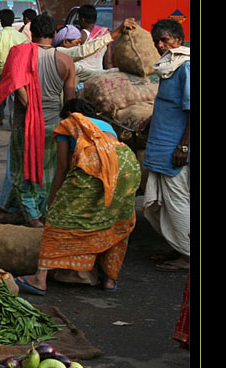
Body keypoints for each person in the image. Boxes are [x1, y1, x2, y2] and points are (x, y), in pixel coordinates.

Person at [14, 99, 142, 296]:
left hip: (96, 162)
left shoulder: (68, 124)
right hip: (128, 164)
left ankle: (39, 279)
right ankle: (109, 279)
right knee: (115, 218)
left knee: (59, 219)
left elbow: (63, 168)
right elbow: (112, 153)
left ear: (69, 114)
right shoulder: (106, 125)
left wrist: (52, 203)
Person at [0, 14, 77, 227]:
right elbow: (70, 99)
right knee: (48, 170)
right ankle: (39, 212)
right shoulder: (66, 61)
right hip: (54, 123)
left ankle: (31, 216)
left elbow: (16, 86)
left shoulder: (20, 53)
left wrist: (32, 109)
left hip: (25, 123)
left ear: (32, 34)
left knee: (22, 170)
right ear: (54, 35)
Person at [142, 18, 190, 272]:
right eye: (157, 41)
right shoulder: (169, 66)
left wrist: (183, 147)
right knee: (163, 204)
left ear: (178, 41)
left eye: (165, 40)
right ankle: (177, 247)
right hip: (162, 148)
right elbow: (171, 104)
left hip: (175, 151)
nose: (160, 45)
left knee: (177, 201)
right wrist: (151, 119)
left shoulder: (185, 66)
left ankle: (188, 254)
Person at [0, 9, 29, 126]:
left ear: (1, 22)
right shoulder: (20, 36)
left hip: (3, 70)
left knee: (2, 93)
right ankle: (13, 121)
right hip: (19, 71)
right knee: (15, 96)